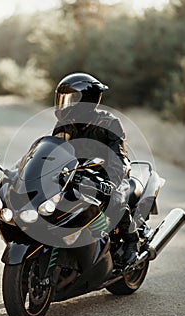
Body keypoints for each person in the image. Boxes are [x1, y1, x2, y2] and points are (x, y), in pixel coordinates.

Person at [52, 72, 139, 265]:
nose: (65, 105)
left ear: (87, 101)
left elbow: (119, 158)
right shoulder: (64, 125)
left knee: (115, 199)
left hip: (107, 176)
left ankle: (132, 241)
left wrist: (111, 182)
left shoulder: (109, 123)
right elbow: (53, 151)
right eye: (63, 99)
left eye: (71, 100)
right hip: (76, 175)